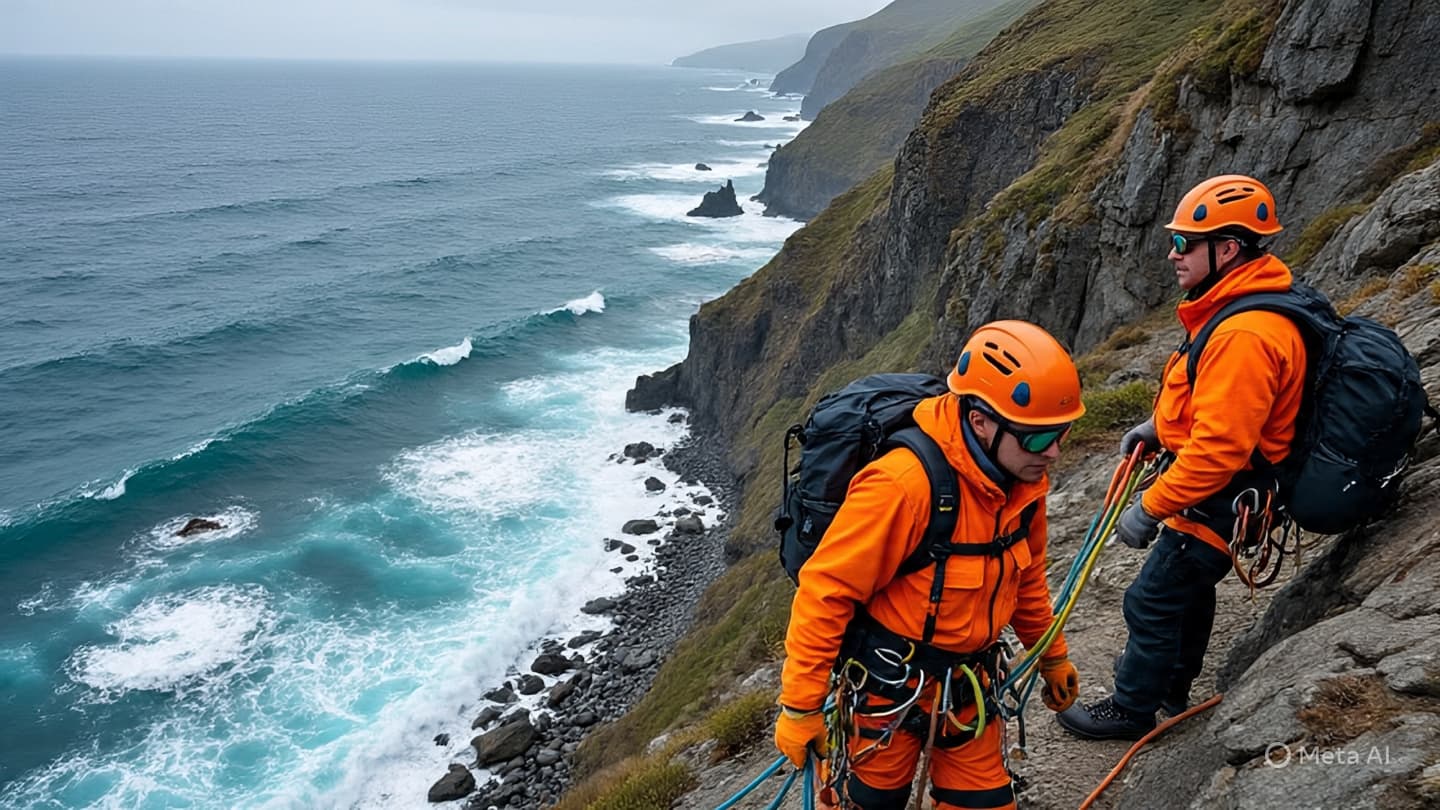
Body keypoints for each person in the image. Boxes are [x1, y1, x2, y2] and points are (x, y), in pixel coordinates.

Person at [774, 320, 1085, 810]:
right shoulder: (903, 486)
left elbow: (1025, 578)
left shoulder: (1022, 486)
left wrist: (1052, 654)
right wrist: (800, 705)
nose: (1052, 452)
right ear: (981, 420)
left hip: (968, 693)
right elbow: (826, 589)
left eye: (1061, 432)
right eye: (1036, 437)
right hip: (885, 696)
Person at [1056, 174, 1307, 741]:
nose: (1173, 254)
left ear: (1228, 248)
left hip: (1222, 494)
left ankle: (1133, 708)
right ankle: (1170, 685)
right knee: (1187, 593)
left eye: (1186, 243)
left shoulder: (1245, 333)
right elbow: (1212, 405)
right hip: (1225, 491)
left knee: (1153, 597)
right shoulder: (1234, 306)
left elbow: (1220, 449)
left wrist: (1148, 508)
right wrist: (1157, 428)